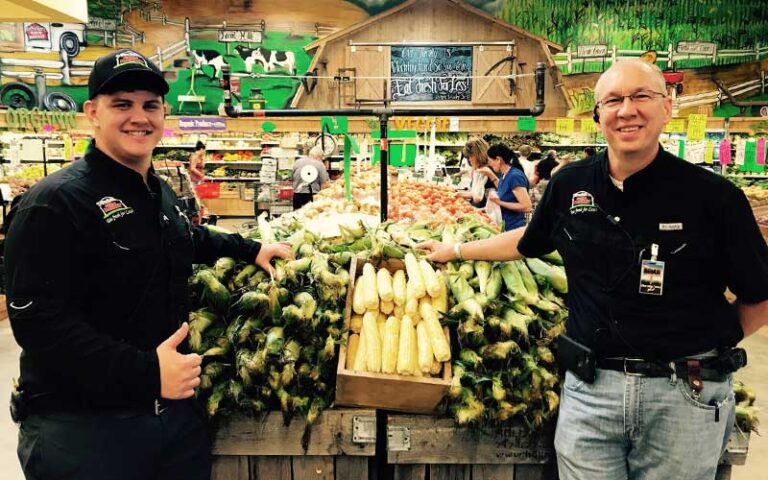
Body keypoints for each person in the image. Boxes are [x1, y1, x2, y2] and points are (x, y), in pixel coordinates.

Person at [417, 59, 766, 480]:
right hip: (591, 392)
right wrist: (454, 250)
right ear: (599, 113)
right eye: (614, 100)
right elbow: (528, 242)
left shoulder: (714, 197)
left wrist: (709, 345)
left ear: (667, 106)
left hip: (683, 397)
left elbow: (759, 294)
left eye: (641, 96)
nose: (627, 110)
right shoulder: (571, 184)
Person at [4, 49, 293, 480]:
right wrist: (146, 373)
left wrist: (248, 248)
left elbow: (183, 238)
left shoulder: (156, 191)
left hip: (171, 422)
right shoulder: (54, 202)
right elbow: (39, 323)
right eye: (122, 103)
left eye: (150, 105)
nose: (139, 116)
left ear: (163, 114)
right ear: (92, 114)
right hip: (85, 432)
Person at [486, 143, 531, 231]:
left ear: (498, 159)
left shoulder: (514, 176)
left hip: (514, 228)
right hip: (505, 225)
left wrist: (499, 202)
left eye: (490, 161)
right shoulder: (504, 175)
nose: (490, 164)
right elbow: (507, 197)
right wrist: (483, 209)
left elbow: (527, 206)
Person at [456, 136, 497, 208]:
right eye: (468, 157)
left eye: (471, 156)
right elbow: (475, 194)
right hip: (476, 210)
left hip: (486, 213)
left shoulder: (491, 170)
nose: (470, 160)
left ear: (479, 154)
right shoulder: (477, 170)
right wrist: (459, 194)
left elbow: (480, 198)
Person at [292, 144, 330, 210]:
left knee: (297, 217)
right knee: (311, 217)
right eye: (321, 158)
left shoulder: (297, 162)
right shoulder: (320, 164)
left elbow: (293, 177)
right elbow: (324, 184)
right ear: (319, 156)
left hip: (297, 195)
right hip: (312, 196)